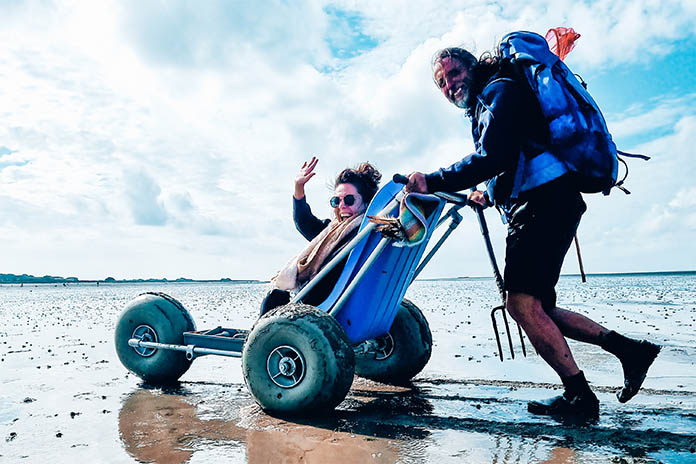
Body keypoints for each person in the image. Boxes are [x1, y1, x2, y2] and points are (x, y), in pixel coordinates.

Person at [404, 44, 660, 421]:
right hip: (551, 201)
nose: (450, 85)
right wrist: (487, 193)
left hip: (543, 204)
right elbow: (515, 154)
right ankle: (630, 351)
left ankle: (579, 397)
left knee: (520, 304)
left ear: (472, 67)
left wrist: (434, 179)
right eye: (441, 82)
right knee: (542, 307)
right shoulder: (496, 95)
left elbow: (494, 156)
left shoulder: (497, 91)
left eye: (454, 73)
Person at [260, 157, 382, 316]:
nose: (342, 206)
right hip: (339, 302)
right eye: (336, 201)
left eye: (349, 199)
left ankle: (262, 338)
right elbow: (305, 223)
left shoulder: (365, 233)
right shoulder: (334, 231)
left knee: (275, 297)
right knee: (278, 295)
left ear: (367, 202)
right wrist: (298, 187)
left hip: (325, 305)